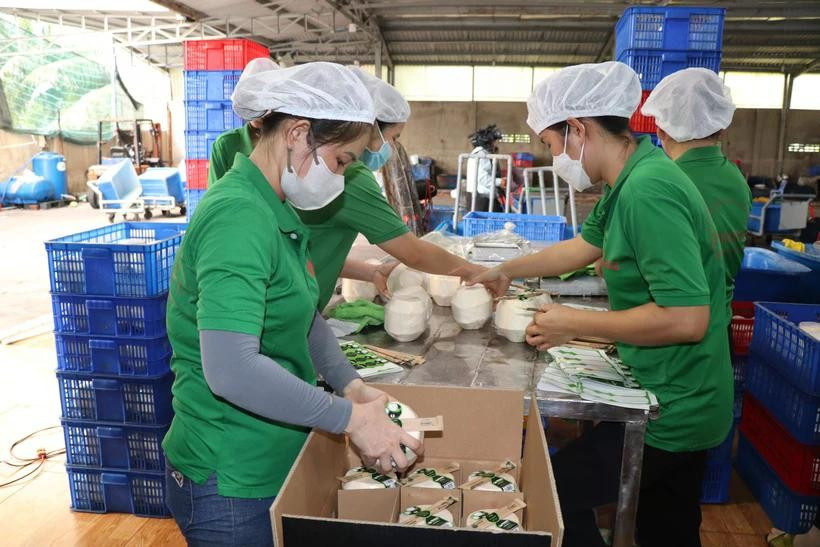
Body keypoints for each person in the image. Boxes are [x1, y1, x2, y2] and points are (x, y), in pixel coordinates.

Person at [467, 61, 733, 547]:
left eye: (551, 144)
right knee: (666, 525)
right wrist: (504, 269)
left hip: (673, 401)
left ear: (577, 129)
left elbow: (688, 318)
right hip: (675, 384)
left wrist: (578, 322)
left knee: (556, 490)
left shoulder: (648, 190)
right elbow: (581, 249)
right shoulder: (630, 176)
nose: (555, 158)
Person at [162, 62, 422, 546]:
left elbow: (302, 314)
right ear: (299, 133)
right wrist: (349, 420)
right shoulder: (238, 216)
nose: (343, 178)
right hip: (231, 473)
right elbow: (231, 369)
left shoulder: (276, 205)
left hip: (272, 453)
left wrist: (351, 385)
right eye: (342, 161)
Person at [211, 64, 484, 310]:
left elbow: (301, 257)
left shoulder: (267, 194)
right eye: (342, 160)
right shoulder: (241, 210)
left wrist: (369, 273)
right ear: (297, 133)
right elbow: (231, 348)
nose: (389, 147)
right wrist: (476, 271)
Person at [642, 67, 752, 314]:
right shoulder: (737, 180)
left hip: (675, 330)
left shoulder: (663, 182)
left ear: (661, 131)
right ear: (721, 127)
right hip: (720, 324)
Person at [462, 124, 504, 212]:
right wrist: (500, 182)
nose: (494, 145)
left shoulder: (477, 154)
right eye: (493, 142)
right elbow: (482, 178)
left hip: (477, 196)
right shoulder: (481, 155)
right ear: (487, 143)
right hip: (481, 198)